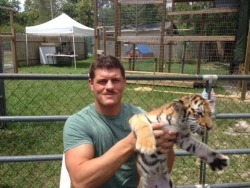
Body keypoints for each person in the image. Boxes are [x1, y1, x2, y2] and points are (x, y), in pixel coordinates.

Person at [63, 55, 176, 188]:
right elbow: (80, 181)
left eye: (115, 80)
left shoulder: (140, 116)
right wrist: (132, 141)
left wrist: (165, 145)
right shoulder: (78, 123)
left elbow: (162, 171)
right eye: (102, 81)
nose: (109, 86)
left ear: (124, 82)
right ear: (91, 84)